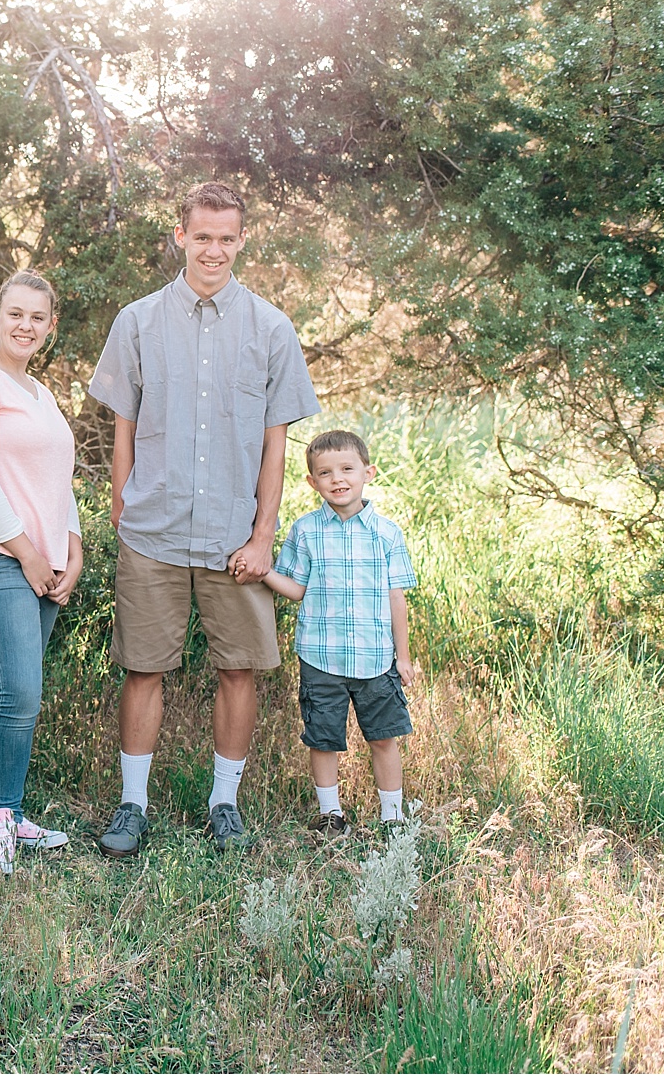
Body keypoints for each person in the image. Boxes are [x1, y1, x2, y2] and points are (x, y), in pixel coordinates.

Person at [88, 181, 320, 854]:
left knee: (239, 668)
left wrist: (262, 533)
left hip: (232, 535)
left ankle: (225, 801)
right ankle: (133, 804)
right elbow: (122, 423)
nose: (214, 249)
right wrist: (121, 501)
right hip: (152, 527)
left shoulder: (272, 328)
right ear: (180, 236)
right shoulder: (136, 322)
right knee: (143, 666)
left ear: (241, 241)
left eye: (227, 237)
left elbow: (276, 440)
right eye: (203, 235)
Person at [0, 271, 81, 874]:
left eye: (38, 317)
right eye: (16, 313)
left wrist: (71, 549)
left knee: (13, 691)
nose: (25, 325)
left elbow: (60, 482)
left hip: (48, 563)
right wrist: (28, 552)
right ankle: (0, 824)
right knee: (22, 690)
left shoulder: (42, 395)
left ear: (50, 326)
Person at [262, 430, 419, 836]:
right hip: (320, 657)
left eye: (347, 469)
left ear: (368, 472)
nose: (338, 479)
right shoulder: (306, 530)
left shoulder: (387, 533)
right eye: (325, 472)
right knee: (324, 739)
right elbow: (296, 588)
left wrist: (402, 657)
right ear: (312, 482)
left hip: (375, 658)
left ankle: (393, 818)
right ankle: (331, 814)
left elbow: (395, 598)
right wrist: (264, 573)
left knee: (384, 738)